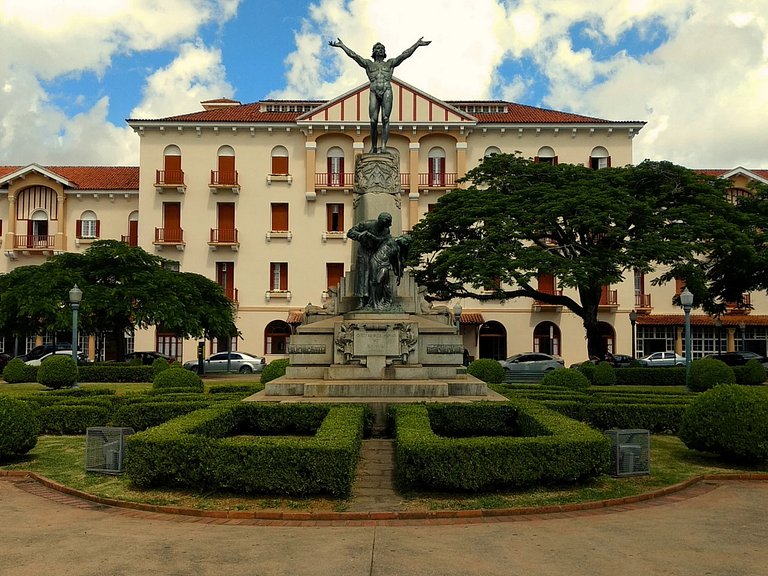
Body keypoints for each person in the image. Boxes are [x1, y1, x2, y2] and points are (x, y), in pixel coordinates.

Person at [329, 37, 431, 153]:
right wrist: (342, 46)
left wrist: (416, 45)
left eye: (382, 48)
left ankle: (383, 146)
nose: (380, 49)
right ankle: (373, 146)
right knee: (373, 120)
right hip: (374, 90)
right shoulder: (368, 64)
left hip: (386, 89)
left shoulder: (390, 63)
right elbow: (354, 56)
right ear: (373, 52)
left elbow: (405, 55)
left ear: (384, 52)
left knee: (385, 118)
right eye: (377, 48)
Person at [347, 212, 393, 308]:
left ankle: (374, 300)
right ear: (382, 222)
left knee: (375, 276)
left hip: (376, 252)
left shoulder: (386, 230)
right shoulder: (366, 224)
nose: (390, 225)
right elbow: (350, 233)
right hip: (364, 251)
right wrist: (360, 235)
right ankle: (361, 300)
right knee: (363, 275)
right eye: (388, 223)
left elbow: (385, 241)